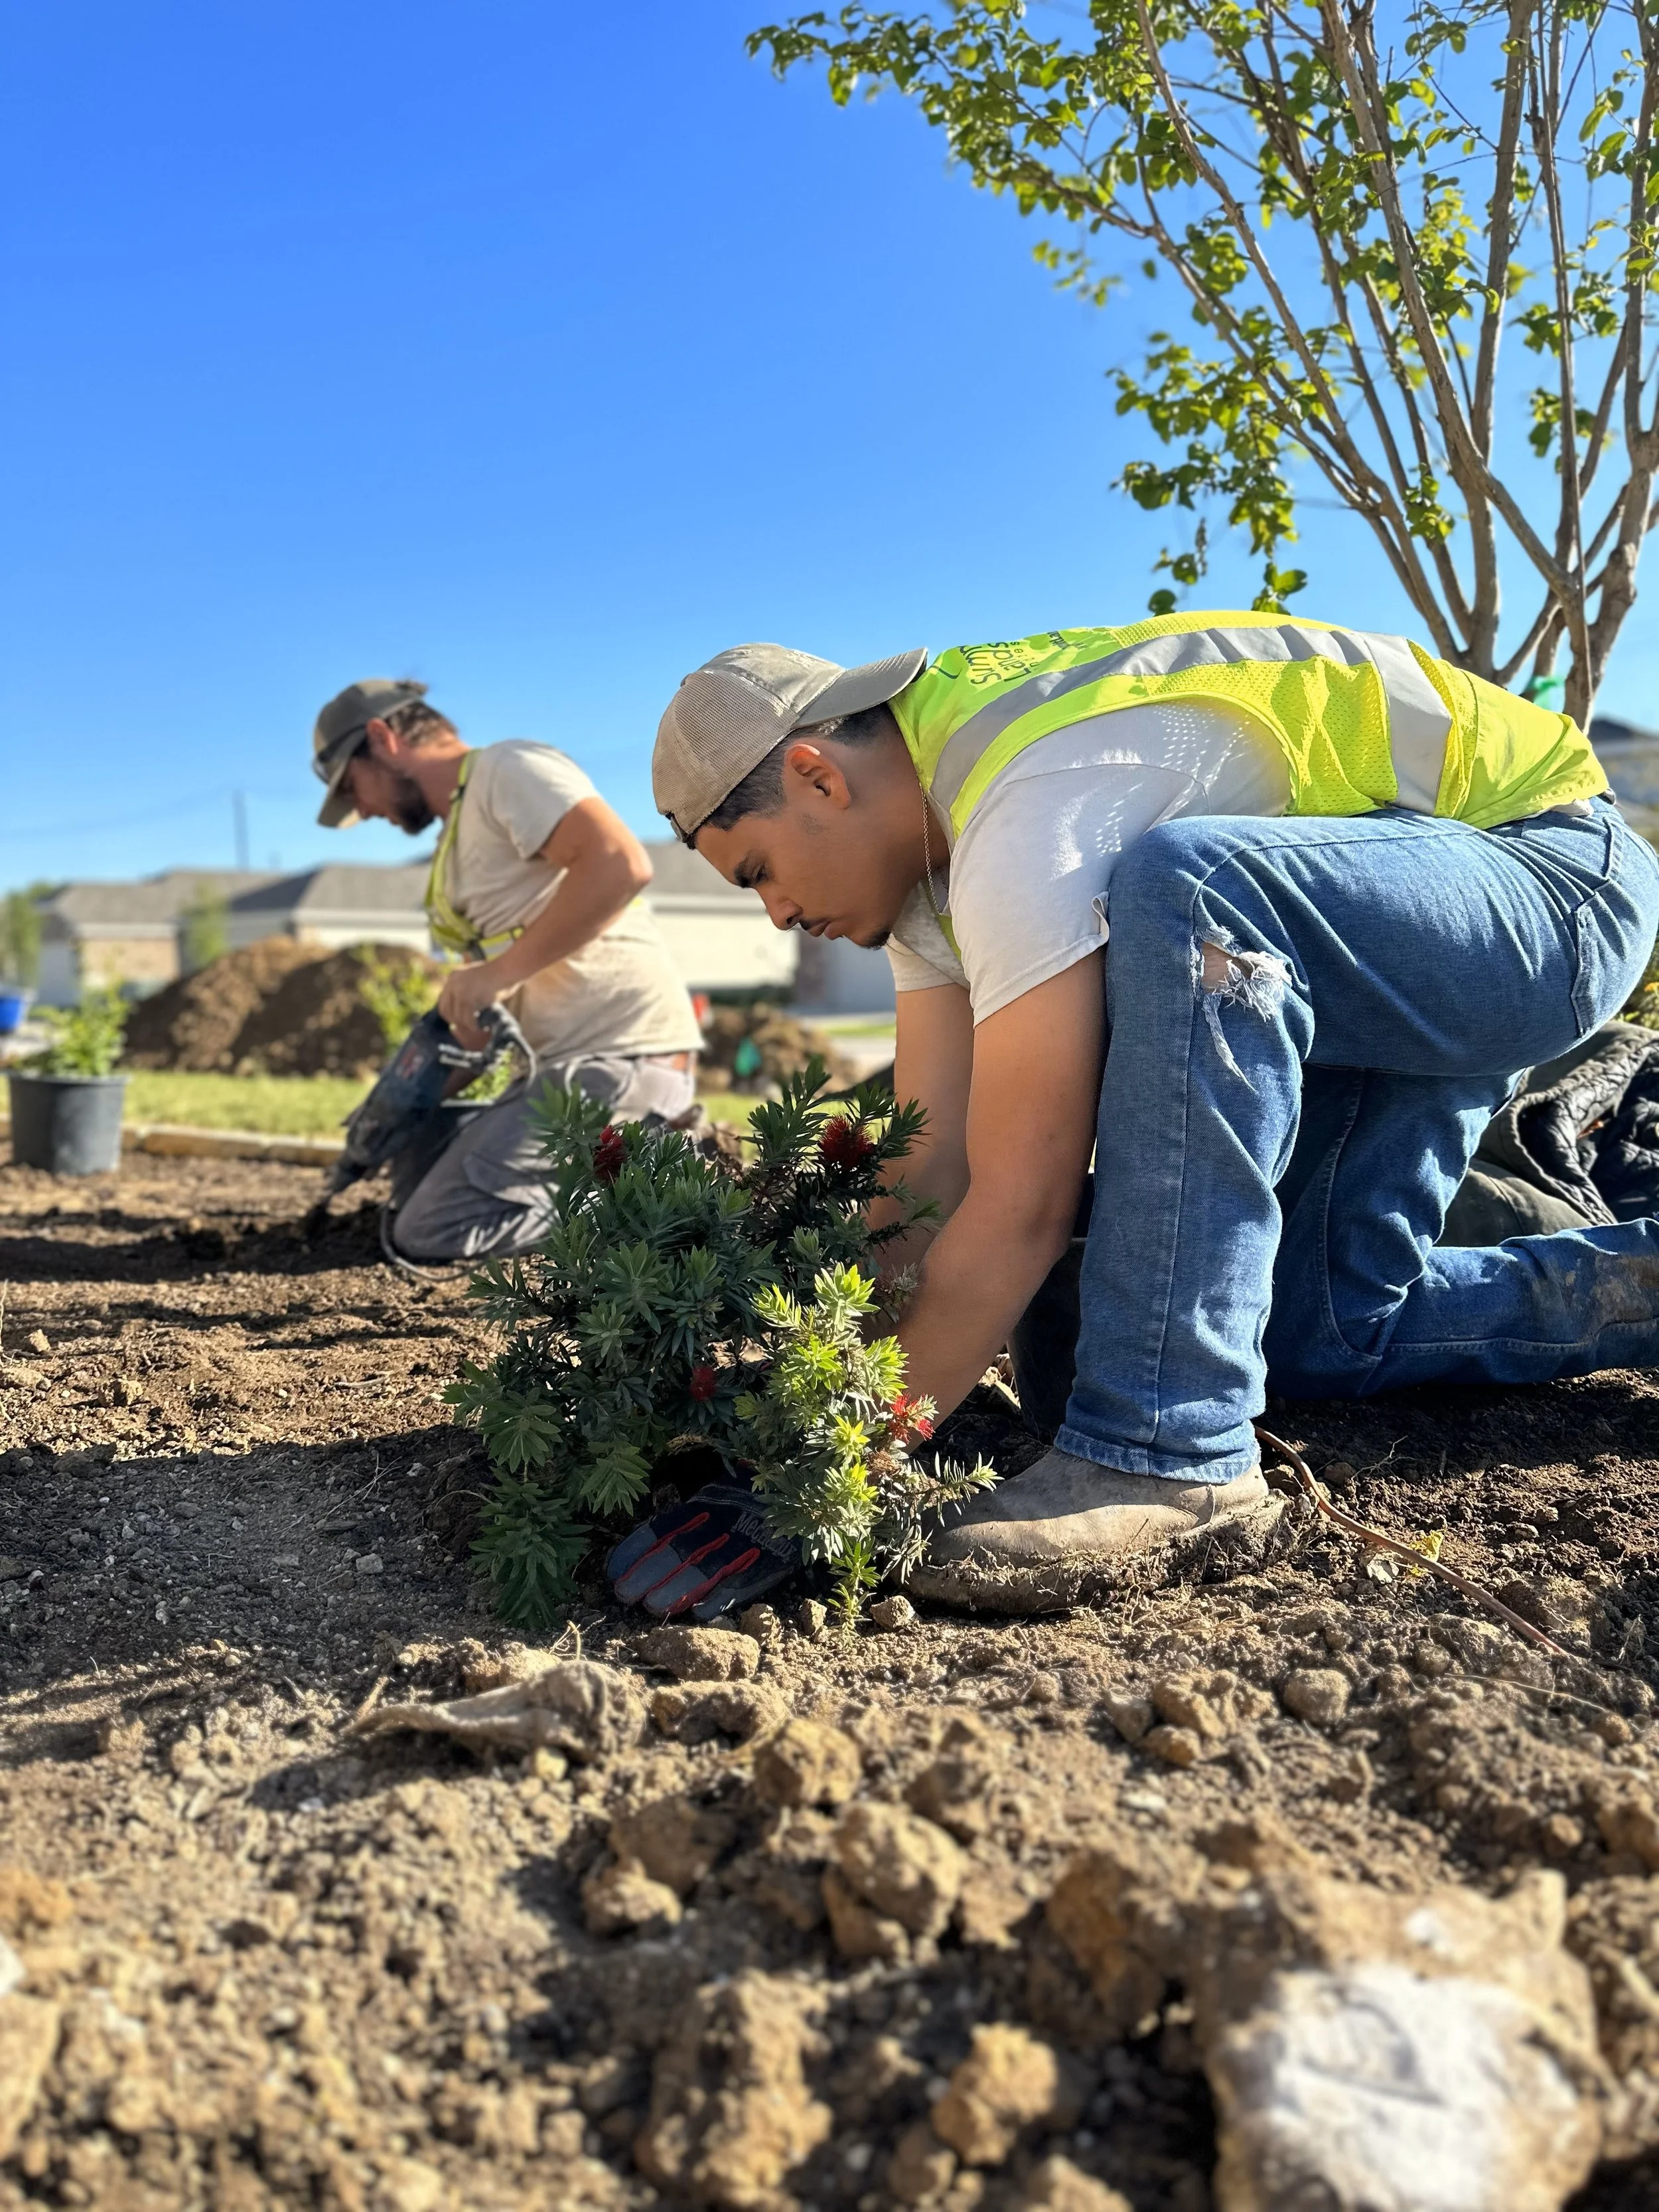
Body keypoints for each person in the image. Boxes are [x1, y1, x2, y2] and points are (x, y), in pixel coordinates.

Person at [650, 617, 1659, 1609]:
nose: (774, 917)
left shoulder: (1027, 799)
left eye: (758, 873)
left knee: (1193, 888)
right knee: (1315, 1333)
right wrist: (819, 1395)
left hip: (1548, 880)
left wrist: (829, 1475)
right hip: (1396, 930)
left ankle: (1168, 1451)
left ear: (819, 776)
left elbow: (1023, 1202)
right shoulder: (933, 871)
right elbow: (928, 1176)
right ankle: (1636, 1283)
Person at [313, 678, 702, 1260]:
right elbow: (478, 1020)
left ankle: (672, 1191)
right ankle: (637, 1173)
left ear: (382, 738)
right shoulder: (454, 849)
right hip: (557, 1072)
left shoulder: (507, 769)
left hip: (618, 1059)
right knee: (412, 1185)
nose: (362, 810)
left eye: (352, 786)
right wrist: (398, 1107)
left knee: (431, 1229)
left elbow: (619, 863)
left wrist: (496, 975)